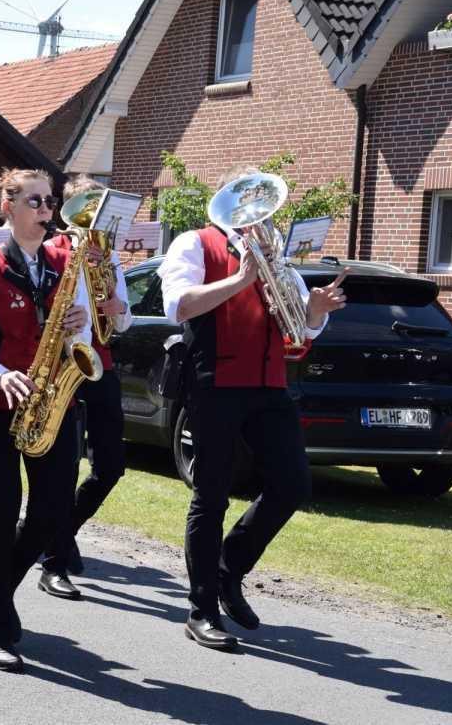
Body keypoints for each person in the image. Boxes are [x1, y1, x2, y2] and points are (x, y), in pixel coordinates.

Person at [158, 166, 346, 650]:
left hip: (268, 383)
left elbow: (298, 326)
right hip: (214, 381)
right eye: (248, 206)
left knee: (292, 485)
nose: (257, 217)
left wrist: (317, 312)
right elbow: (177, 306)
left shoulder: (274, 249)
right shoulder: (194, 243)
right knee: (212, 494)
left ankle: (228, 569)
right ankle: (201, 610)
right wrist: (240, 279)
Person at [0, 167, 90, 673]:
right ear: (8, 207)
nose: (47, 211)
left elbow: (87, 331)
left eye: (49, 201)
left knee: (51, 513)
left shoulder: (68, 260)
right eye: (35, 202)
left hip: (54, 402)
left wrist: (78, 328)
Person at [38, 175, 133, 600]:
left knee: (111, 467)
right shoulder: (50, 253)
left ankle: (61, 531)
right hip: (64, 366)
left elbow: (124, 321)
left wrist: (116, 304)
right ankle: (53, 563)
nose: (96, 217)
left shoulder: (107, 257)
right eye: (89, 207)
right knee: (64, 467)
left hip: (101, 365)